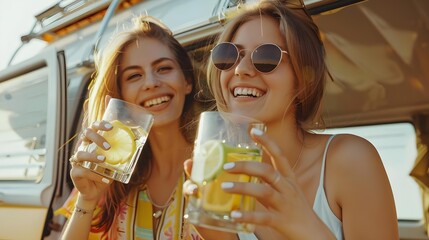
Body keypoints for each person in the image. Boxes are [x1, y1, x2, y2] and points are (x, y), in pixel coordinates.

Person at [184, 0, 399, 239]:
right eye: (228, 55)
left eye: (266, 57)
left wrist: (306, 227)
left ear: (303, 78)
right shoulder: (226, 184)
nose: (240, 69)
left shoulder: (350, 160)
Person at [56, 16, 204, 239]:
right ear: (121, 95)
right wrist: (86, 200)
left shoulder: (214, 169)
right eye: (134, 75)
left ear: (187, 81)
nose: (151, 83)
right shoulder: (107, 173)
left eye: (163, 68)